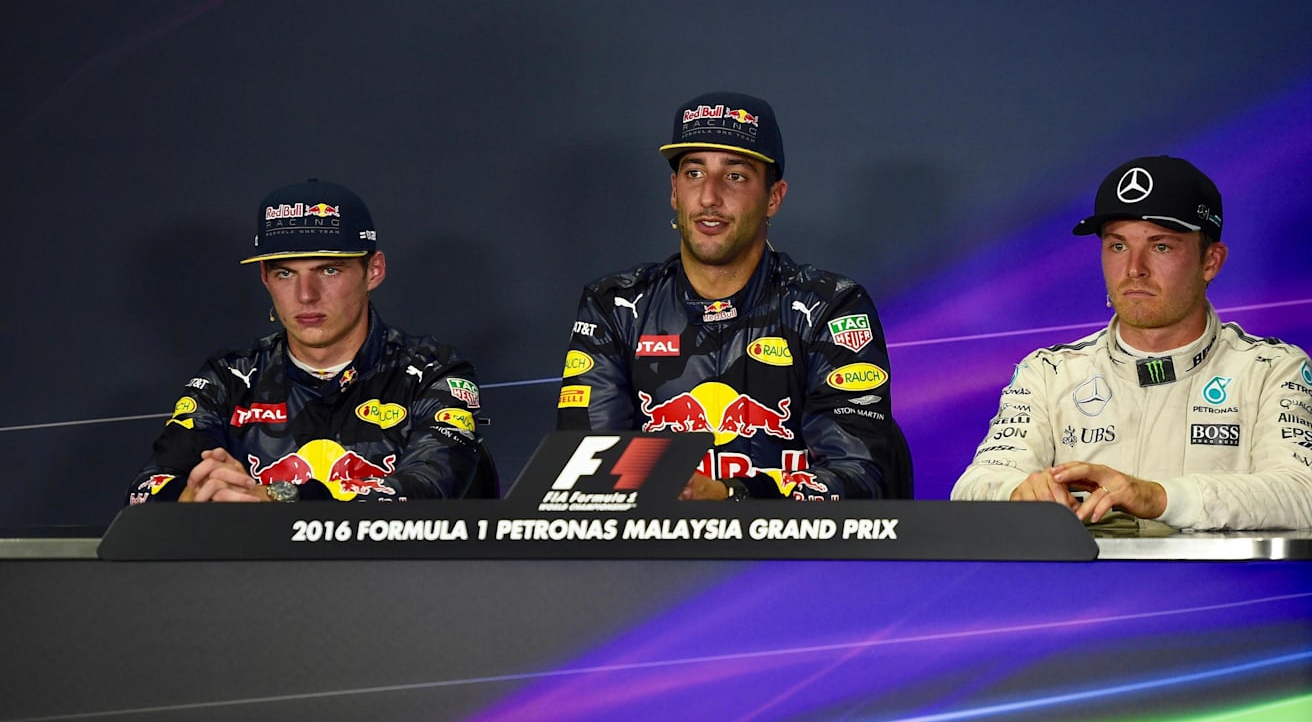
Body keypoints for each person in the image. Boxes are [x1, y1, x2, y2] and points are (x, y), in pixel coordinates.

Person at [557, 92, 911, 500]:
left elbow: (860, 477)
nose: (709, 196)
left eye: (735, 176)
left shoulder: (828, 307)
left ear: (773, 197)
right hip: (655, 558)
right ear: (674, 191)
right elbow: (585, 481)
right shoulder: (615, 307)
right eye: (693, 173)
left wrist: (731, 497)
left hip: (792, 558)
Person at [951, 156, 1312, 530]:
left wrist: (1155, 497)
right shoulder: (1048, 373)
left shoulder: (1273, 369)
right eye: (1117, 246)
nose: (1135, 269)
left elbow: (1300, 494)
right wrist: (1018, 492)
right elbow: (973, 486)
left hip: (1221, 592)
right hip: (1079, 591)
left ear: (1211, 262)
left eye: (1160, 246)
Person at [128, 179, 496, 503]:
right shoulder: (229, 379)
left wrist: (279, 501)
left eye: (329, 270)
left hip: (396, 581)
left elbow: (428, 492)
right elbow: (147, 491)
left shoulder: (432, 373)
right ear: (264, 278)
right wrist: (192, 499)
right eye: (286, 273)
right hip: (256, 582)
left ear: (375, 271)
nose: (306, 295)